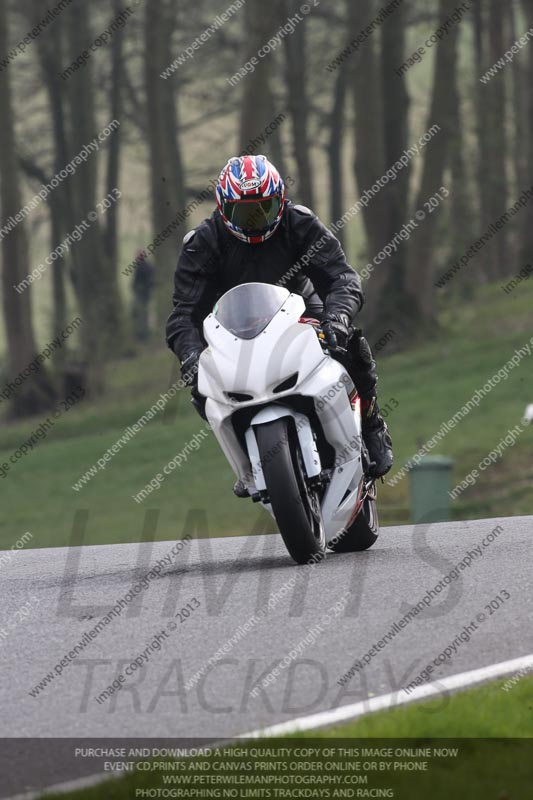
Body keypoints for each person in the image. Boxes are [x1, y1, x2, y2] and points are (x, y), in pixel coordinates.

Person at [165, 155, 393, 493]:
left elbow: (342, 277)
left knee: (350, 347)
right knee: (202, 386)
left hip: (298, 308)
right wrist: (191, 355)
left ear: (281, 201)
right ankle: (245, 460)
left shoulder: (299, 223)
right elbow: (183, 314)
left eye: (266, 208)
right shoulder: (202, 244)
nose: (257, 221)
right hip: (233, 328)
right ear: (224, 209)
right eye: (246, 213)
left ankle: (372, 425)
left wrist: (338, 317)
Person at [132, 250, 155, 341]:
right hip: (146, 294)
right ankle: (143, 334)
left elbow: (136, 282)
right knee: (143, 314)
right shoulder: (149, 267)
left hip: (141, 294)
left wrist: (135, 288)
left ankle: (141, 334)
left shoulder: (140, 267)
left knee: (140, 314)